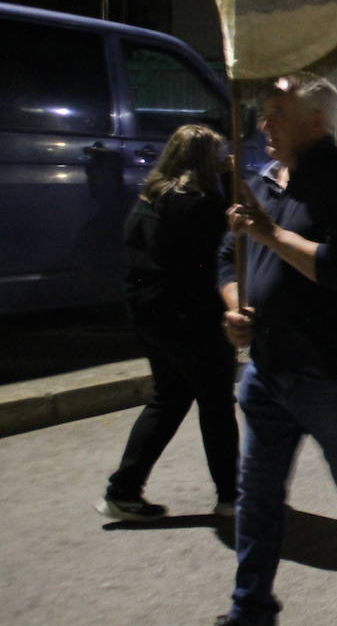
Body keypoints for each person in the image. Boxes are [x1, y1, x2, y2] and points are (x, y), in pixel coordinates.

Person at [217, 73, 337, 626]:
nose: (264, 124)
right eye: (264, 112)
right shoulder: (264, 180)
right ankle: (249, 605)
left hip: (335, 373)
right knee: (256, 493)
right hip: (268, 368)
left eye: (277, 113)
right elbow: (225, 256)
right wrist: (235, 305)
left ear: (316, 121)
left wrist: (267, 233)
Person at [98, 124, 238, 522]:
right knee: (215, 405)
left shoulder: (150, 197)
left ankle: (123, 490)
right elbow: (222, 249)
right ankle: (231, 495)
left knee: (169, 398)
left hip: (151, 315)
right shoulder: (198, 204)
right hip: (191, 318)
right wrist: (230, 180)